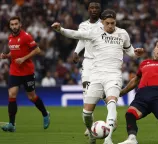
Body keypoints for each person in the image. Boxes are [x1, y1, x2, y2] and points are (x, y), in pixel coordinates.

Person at [51, 9, 144, 144]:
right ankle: (91, 133)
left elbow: (130, 51)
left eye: (113, 23)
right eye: (108, 23)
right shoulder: (95, 32)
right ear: (102, 22)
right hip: (96, 76)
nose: (111, 26)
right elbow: (76, 34)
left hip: (114, 75)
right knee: (87, 113)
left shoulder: (123, 34)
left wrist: (136, 53)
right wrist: (61, 30)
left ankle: (108, 138)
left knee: (112, 104)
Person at [0, 16, 50, 132]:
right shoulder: (10, 38)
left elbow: (37, 50)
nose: (14, 26)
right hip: (14, 71)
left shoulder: (26, 36)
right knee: (12, 95)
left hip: (27, 71)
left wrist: (23, 59)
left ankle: (45, 114)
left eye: (16, 24)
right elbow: (14, 52)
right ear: (10, 26)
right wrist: (6, 56)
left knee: (32, 97)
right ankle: (12, 125)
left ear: (20, 24)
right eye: (12, 24)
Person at [71, 0, 103, 136]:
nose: (94, 9)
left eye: (96, 8)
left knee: (106, 94)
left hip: (103, 62)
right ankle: (89, 126)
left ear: (99, 10)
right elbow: (82, 39)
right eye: (92, 7)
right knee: (86, 93)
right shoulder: (83, 25)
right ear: (88, 10)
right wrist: (76, 52)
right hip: (88, 62)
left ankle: (112, 120)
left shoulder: (104, 24)